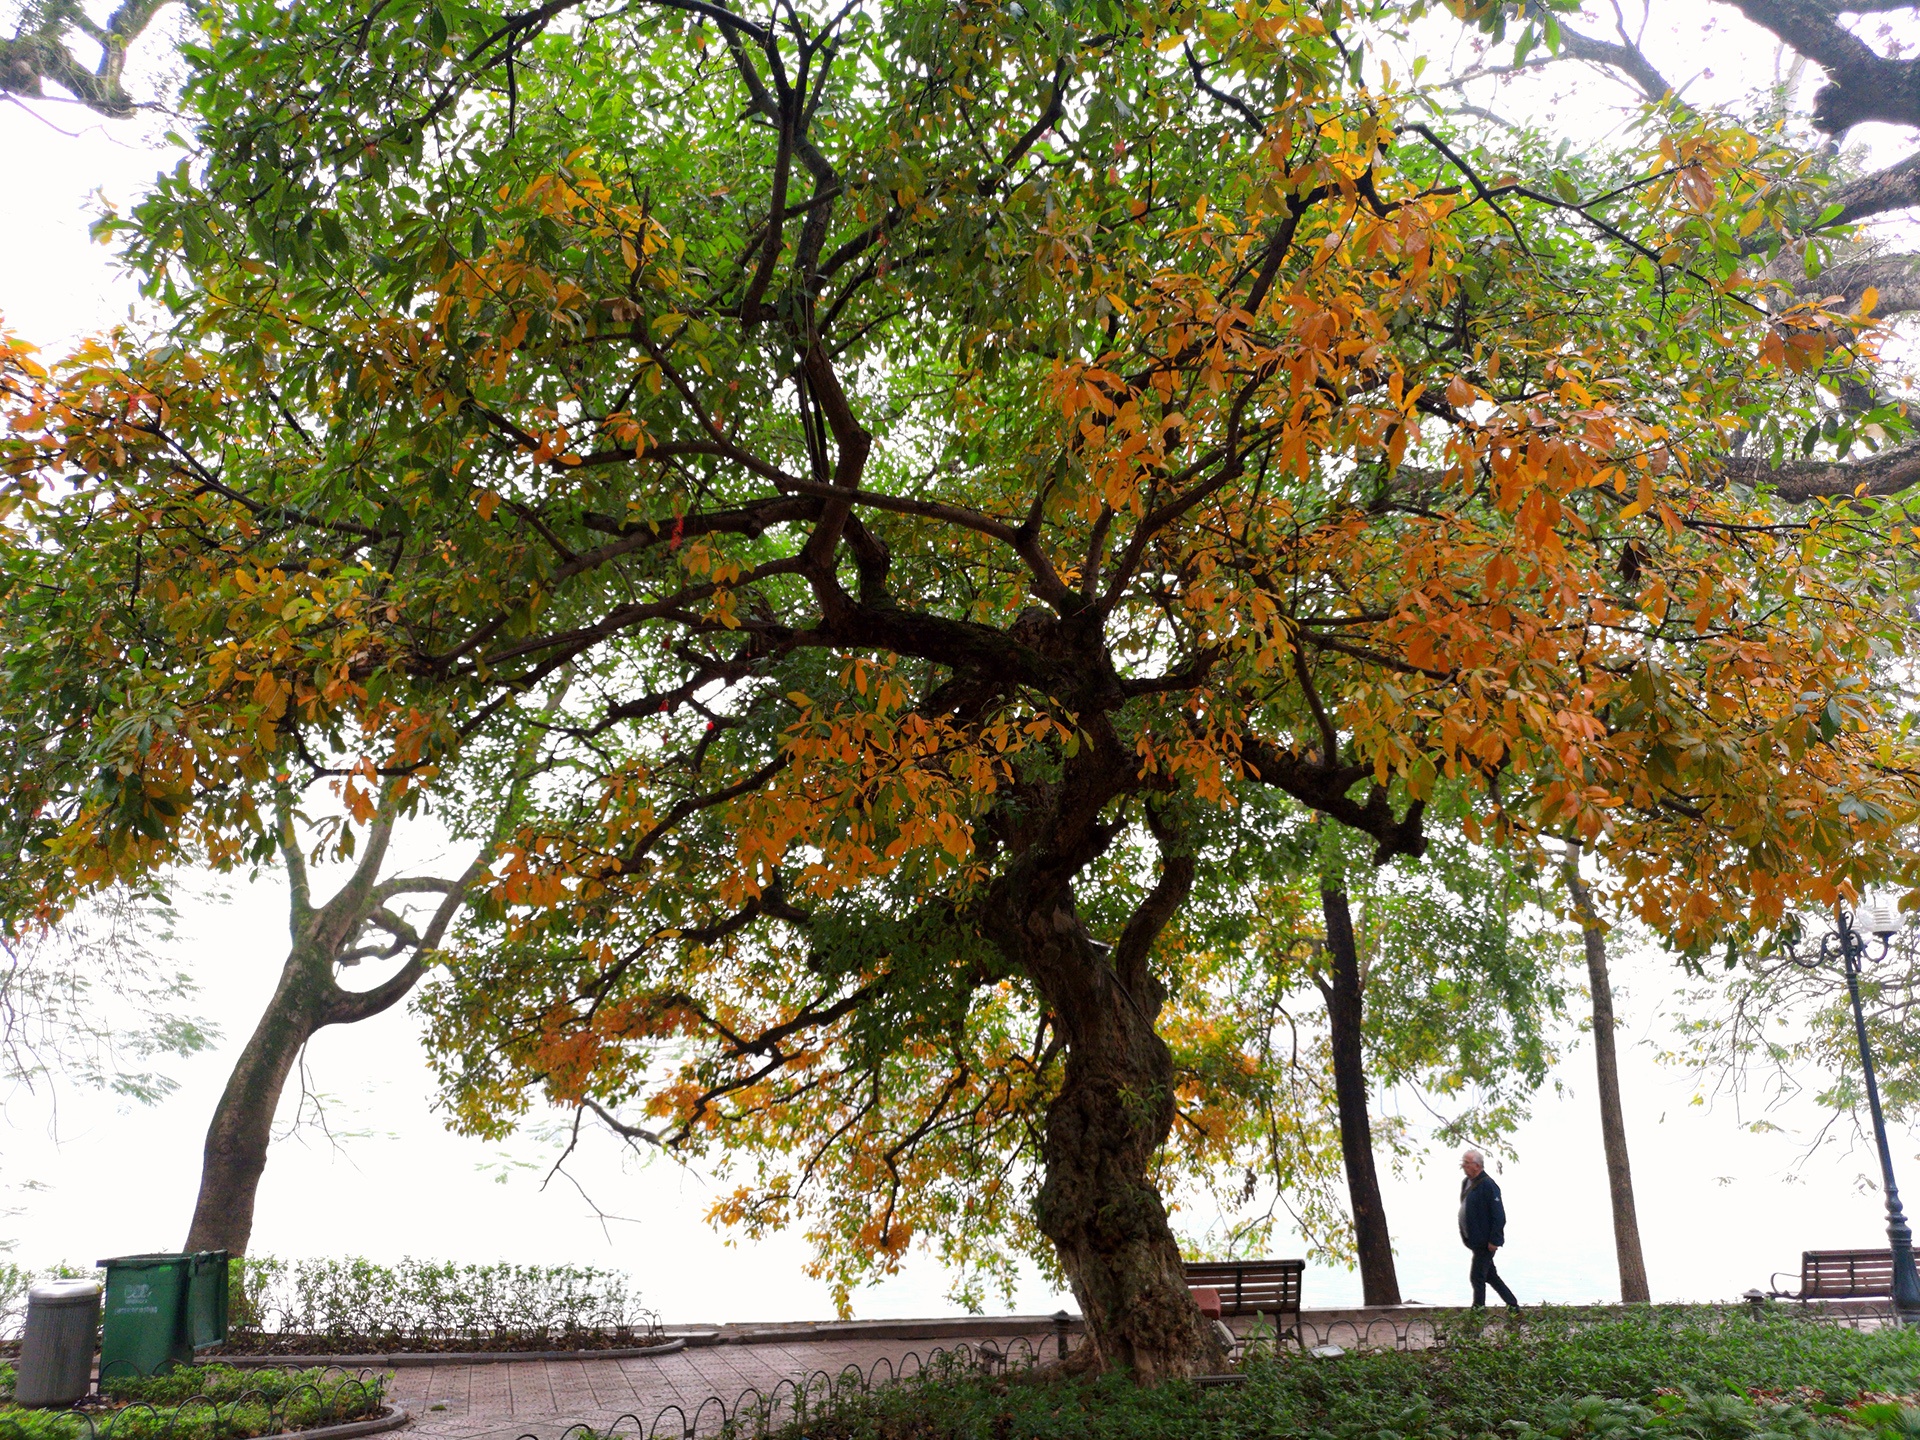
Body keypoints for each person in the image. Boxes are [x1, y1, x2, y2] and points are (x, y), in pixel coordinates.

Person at [1459, 1148, 1519, 1309]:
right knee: (1490, 1276)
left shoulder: (1489, 1185)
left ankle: (1477, 1313)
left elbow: (1499, 1215)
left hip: (1485, 1242)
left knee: (1477, 1277)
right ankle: (1514, 1307)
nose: (1463, 1166)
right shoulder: (1466, 1183)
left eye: (1466, 1163)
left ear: (1477, 1165)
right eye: (1463, 1162)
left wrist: (1495, 1240)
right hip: (1473, 1239)